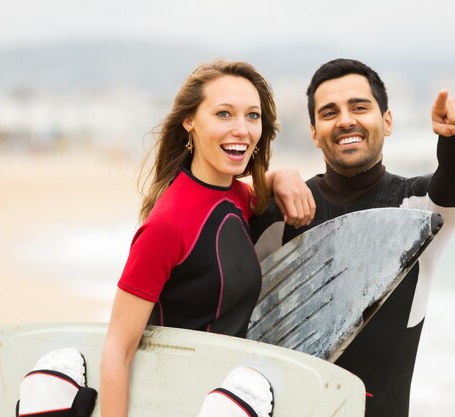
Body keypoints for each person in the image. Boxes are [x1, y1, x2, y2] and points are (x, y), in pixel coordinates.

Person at [250, 58, 455, 417]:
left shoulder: (418, 209)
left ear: (387, 121)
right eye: (329, 112)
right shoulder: (281, 211)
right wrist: (270, 179)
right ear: (314, 133)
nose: (345, 119)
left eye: (359, 107)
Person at [99, 60, 313, 417]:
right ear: (190, 121)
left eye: (252, 116)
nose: (242, 130)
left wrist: (283, 176)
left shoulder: (237, 197)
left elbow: (252, 194)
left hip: (226, 402)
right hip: (174, 405)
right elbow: (117, 348)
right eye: (224, 114)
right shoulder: (167, 225)